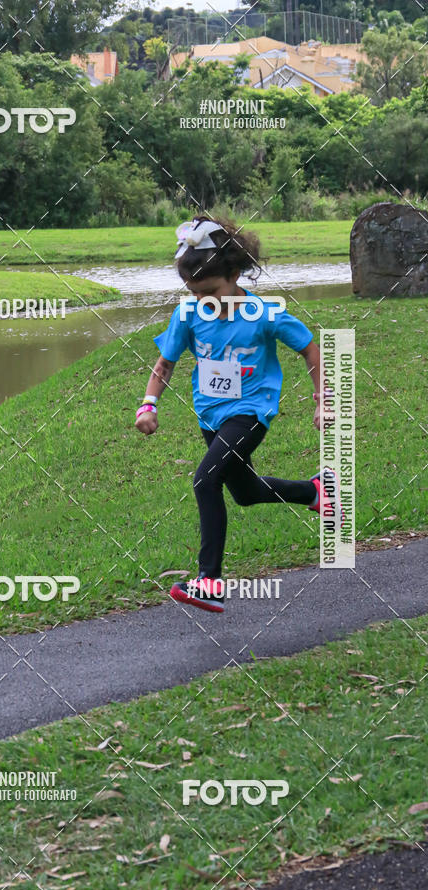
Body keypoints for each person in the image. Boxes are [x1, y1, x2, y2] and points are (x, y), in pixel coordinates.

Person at [135, 216, 341, 613]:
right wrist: (149, 403)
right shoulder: (190, 314)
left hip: (251, 412)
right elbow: (165, 363)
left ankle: (208, 580)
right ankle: (316, 491)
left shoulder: (263, 314)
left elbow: (310, 349)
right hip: (210, 416)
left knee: (205, 481)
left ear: (235, 273)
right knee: (245, 493)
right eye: (195, 293)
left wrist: (323, 398)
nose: (203, 301)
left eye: (211, 291)